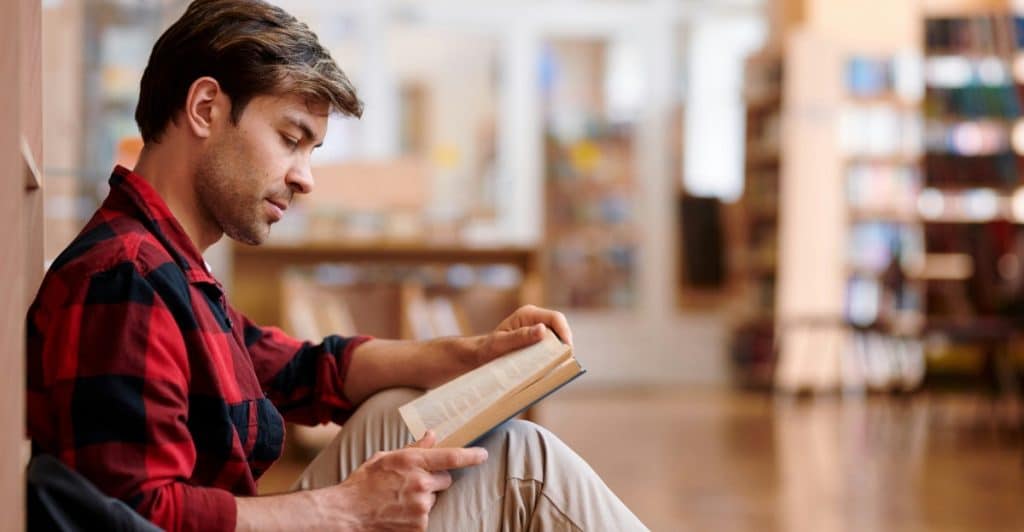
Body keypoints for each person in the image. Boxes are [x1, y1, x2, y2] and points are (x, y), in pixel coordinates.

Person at [26, 1, 647, 530]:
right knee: (520, 463)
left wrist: (473, 353)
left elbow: (301, 369)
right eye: (291, 138)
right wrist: (348, 507)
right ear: (206, 108)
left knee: (395, 406)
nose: (305, 178)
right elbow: (137, 515)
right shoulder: (127, 277)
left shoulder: (168, 265)